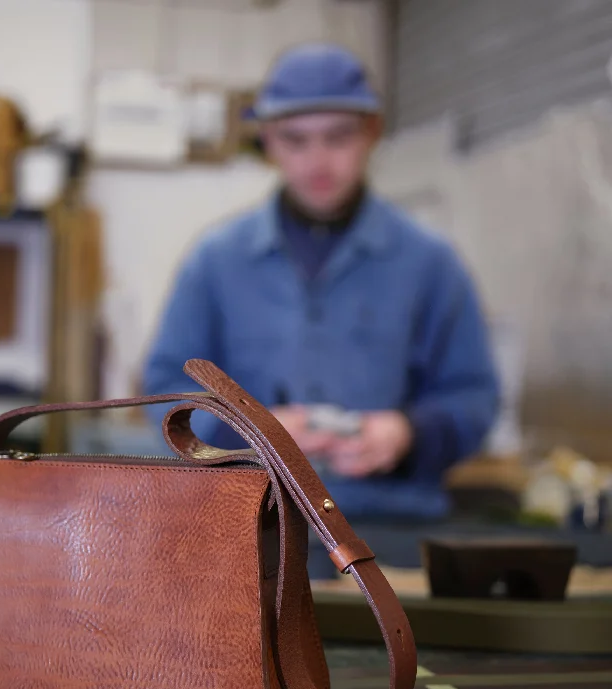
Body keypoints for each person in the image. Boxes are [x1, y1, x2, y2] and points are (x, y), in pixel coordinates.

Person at [143, 44, 499, 539]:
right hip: (247, 525)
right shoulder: (216, 261)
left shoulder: (429, 263)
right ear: (268, 140)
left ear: (371, 132)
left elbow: (474, 396)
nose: (318, 160)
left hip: (387, 530)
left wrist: (409, 435)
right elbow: (163, 389)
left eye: (338, 137)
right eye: (295, 140)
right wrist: (250, 435)